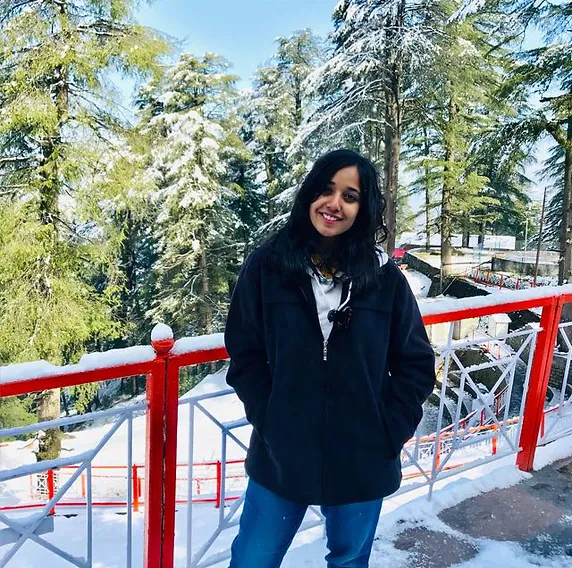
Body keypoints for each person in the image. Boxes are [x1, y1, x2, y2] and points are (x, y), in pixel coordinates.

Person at [224, 149, 436, 568]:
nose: (334, 203)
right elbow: (245, 355)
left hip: (362, 459)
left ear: (363, 207)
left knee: (350, 560)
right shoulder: (267, 268)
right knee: (252, 559)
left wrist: (389, 431)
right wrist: (270, 420)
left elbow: (415, 362)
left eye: (350, 196)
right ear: (309, 195)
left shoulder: (385, 280)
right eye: (326, 190)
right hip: (281, 456)